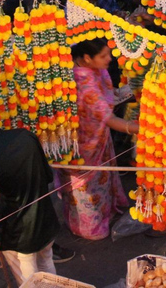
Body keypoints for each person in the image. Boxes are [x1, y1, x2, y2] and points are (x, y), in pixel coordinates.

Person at [58, 39, 139, 240]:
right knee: (89, 188)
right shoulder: (84, 82)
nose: (109, 59)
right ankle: (87, 227)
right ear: (87, 58)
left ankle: (106, 212)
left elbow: (111, 97)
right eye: (103, 56)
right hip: (84, 143)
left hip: (98, 135)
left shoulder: (95, 71)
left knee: (102, 180)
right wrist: (137, 127)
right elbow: (109, 118)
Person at [0, 127, 63, 284]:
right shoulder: (25, 135)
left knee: (29, 276)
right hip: (45, 217)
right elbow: (48, 176)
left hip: (20, 231)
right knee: (47, 263)